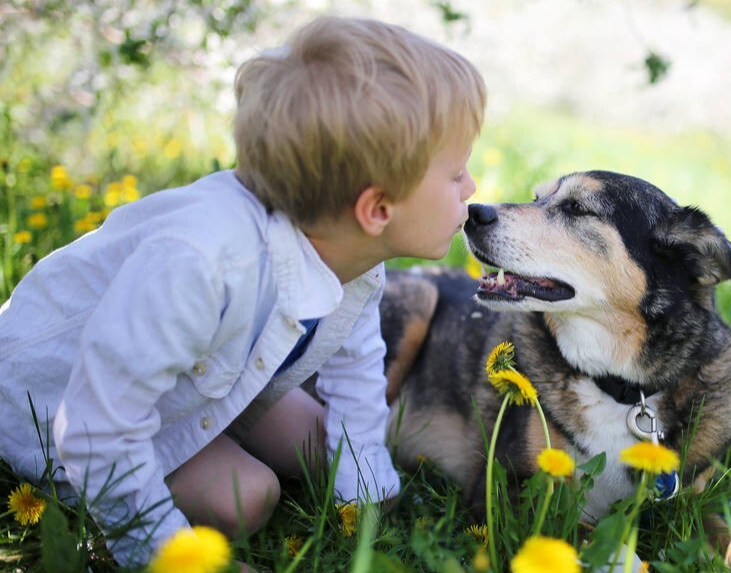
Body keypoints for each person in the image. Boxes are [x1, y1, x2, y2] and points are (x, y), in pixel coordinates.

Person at [0, 15, 485, 567]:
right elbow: (95, 423)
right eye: (456, 175)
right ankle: (115, 529)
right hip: (51, 402)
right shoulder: (203, 261)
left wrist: (366, 490)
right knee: (248, 496)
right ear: (376, 209)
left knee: (325, 447)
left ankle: (241, 448)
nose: (471, 188)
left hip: (204, 380)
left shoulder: (355, 258)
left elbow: (357, 369)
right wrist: (158, 551)